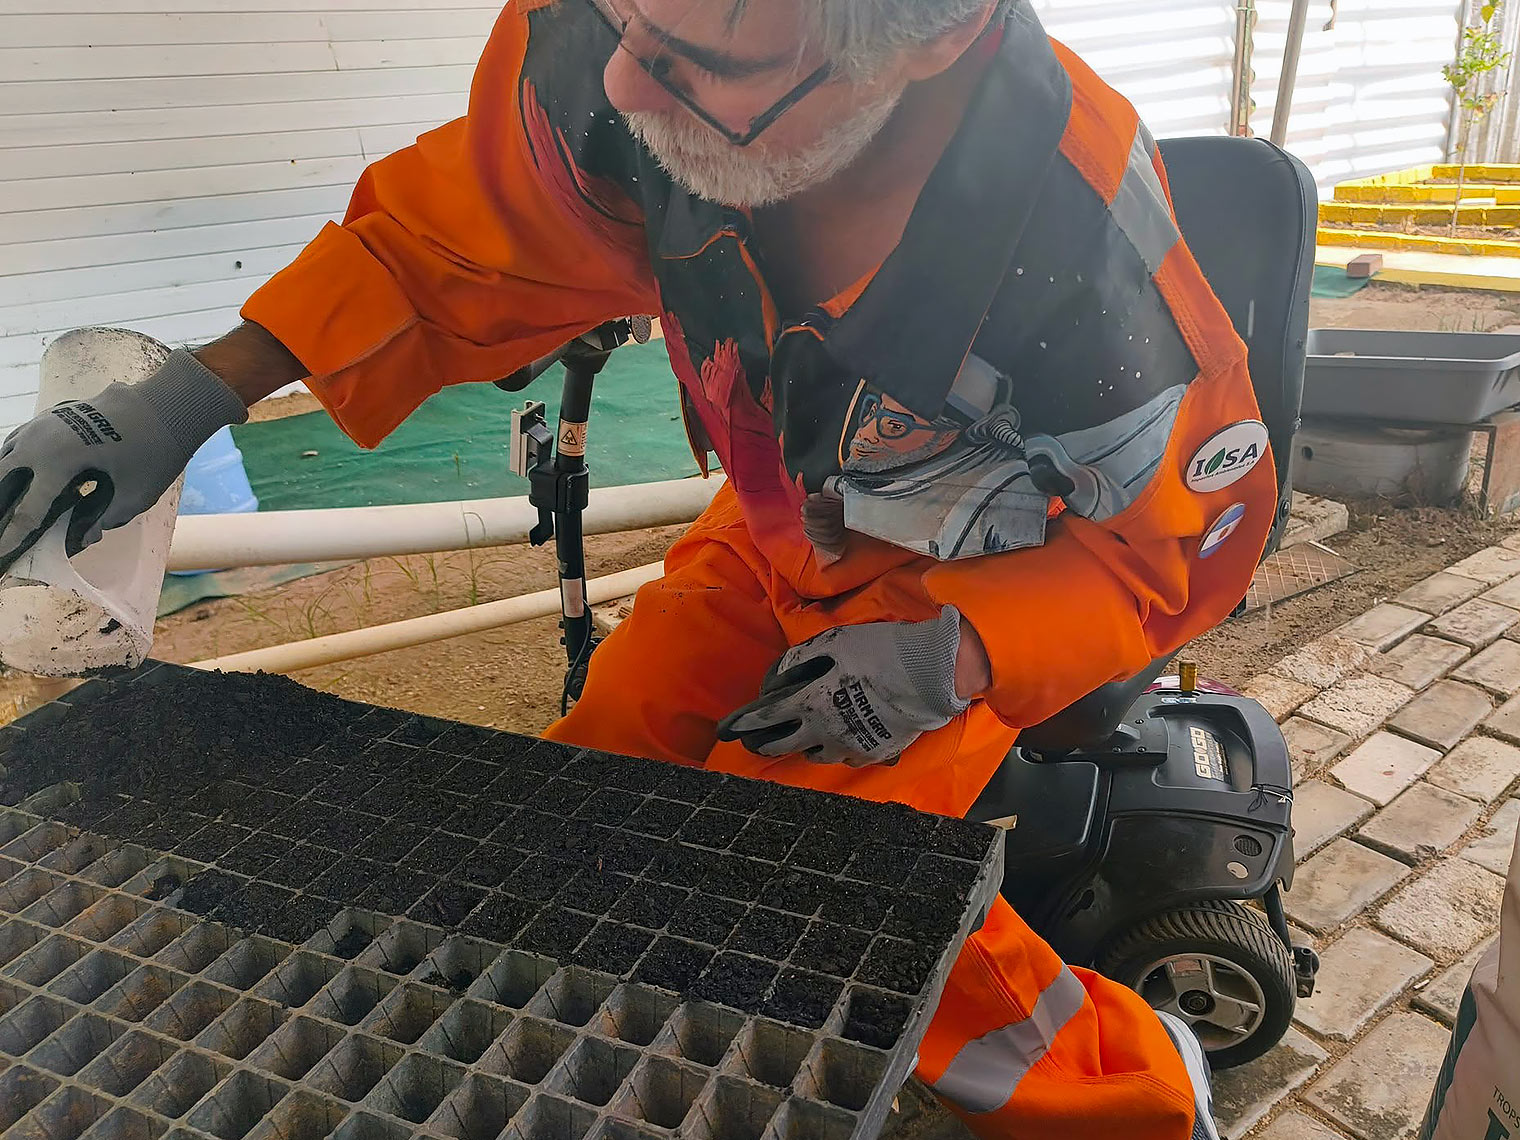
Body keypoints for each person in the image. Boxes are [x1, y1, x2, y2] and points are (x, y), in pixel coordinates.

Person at [0, 0, 1277, 1135]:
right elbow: (455, 234)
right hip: (775, 515)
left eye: (697, 59)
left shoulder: (1086, 266)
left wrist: (963, 650)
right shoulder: (601, 52)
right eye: (625, 29)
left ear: (927, 40)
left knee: (816, 889)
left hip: (974, 575)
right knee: (592, 793)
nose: (623, 89)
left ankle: (1134, 1092)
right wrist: (191, 394)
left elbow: (1172, 542)